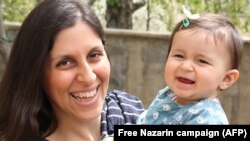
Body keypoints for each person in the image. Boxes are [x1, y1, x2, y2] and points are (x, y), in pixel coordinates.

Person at [0, 0, 144, 141]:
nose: (88, 77)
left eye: (94, 55)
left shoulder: (127, 109)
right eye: (65, 62)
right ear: (36, 73)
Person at [137, 13, 243, 125]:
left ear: (226, 79)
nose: (185, 66)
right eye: (179, 56)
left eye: (202, 61)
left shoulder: (208, 120)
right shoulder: (168, 93)